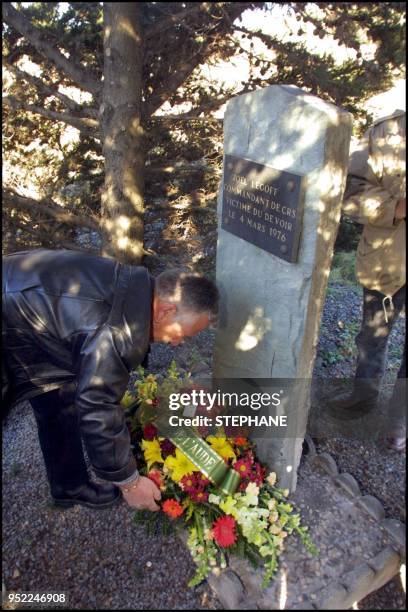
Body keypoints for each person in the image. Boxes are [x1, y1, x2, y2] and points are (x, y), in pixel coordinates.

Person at [2, 249, 219, 510]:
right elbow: (97, 404)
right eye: (183, 334)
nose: (177, 343)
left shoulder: (129, 286)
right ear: (164, 311)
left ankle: (69, 486)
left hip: (28, 329)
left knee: (59, 401)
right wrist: (130, 484)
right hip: (11, 326)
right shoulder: (116, 331)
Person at [330, 109, 406, 451]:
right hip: (385, 262)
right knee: (373, 336)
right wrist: (397, 207)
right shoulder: (384, 132)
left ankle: (398, 422)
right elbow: (351, 195)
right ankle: (363, 400)